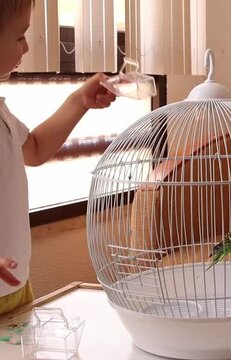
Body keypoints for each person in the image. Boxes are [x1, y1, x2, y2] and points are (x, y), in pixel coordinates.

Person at [0, 0, 116, 315]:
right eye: (19, 36)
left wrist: (79, 100)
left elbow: (35, 149)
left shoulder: (2, 113)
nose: (26, 47)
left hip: (15, 284)